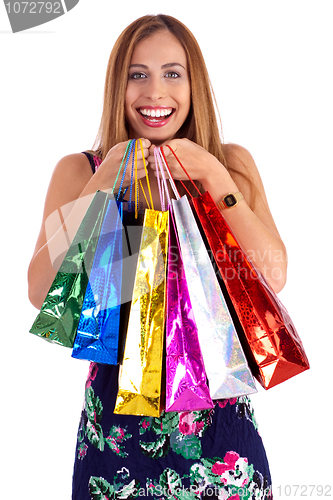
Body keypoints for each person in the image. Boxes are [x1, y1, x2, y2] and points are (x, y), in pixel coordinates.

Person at [28, 14, 286, 500]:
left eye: (172, 73)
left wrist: (216, 179)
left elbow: (273, 276)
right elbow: (42, 293)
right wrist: (101, 188)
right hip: (116, 439)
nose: (155, 92)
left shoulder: (229, 165)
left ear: (194, 84)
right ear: (117, 85)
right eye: (137, 74)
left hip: (221, 437)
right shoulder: (81, 170)